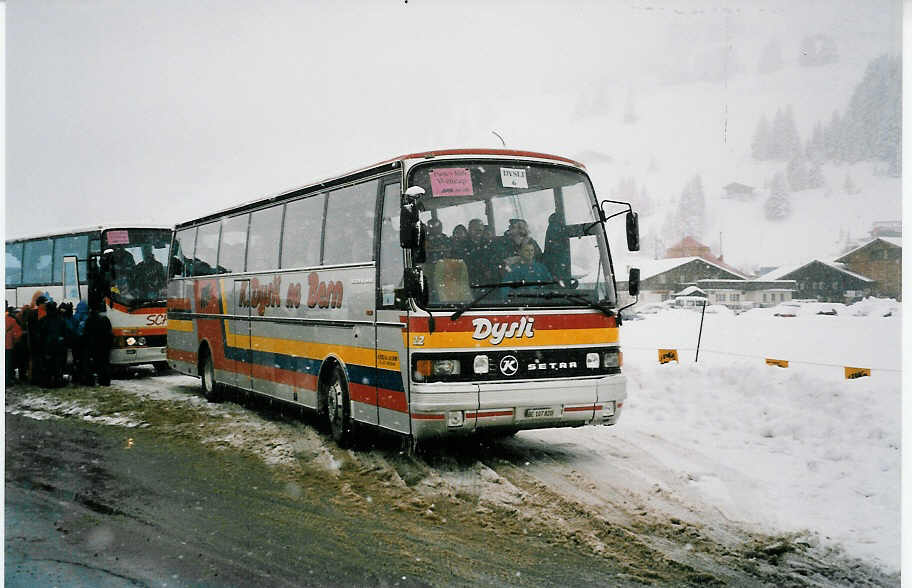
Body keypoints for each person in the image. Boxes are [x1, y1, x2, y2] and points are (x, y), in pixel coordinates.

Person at [39, 301, 68, 388]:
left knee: (48, 366)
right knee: (58, 365)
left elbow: (41, 334)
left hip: (48, 346)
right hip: (59, 346)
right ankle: (57, 381)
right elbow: (65, 333)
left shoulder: (43, 320)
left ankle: (48, 382)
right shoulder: (61, 320)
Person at [84, 306, 113, 386]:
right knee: (105, 363)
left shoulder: (89, 321)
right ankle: (106, 381)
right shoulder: (105, 319)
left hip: (94, 346)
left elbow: (86, 334)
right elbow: (110, 333)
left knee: (95, 364)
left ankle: (95, 381)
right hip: (104, 345)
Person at [6, 304, 23, 384]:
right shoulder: (11, 320)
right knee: (8, 364)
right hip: (8, 345)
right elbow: (18, 332)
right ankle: (7, 380)